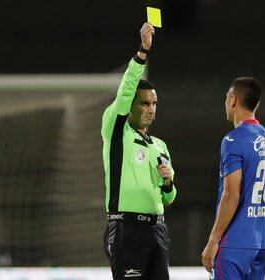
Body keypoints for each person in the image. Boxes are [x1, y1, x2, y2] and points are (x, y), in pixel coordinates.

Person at [101, 23, 177, 280]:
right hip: (127, 228)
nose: (151, 109)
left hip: (158, 230)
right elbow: (124, 92)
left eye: (154, 103)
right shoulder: (117, 133)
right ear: (130, 107)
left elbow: (169, 198)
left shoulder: (160, 146)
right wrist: (143, 51)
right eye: (145, 103)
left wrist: (168, 183)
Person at [201, 77, 265, 280]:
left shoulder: (233, 140)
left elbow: (231, 195)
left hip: (235, 244)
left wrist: (213, 240)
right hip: (263, 242)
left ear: (233, 100)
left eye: (226, 98)